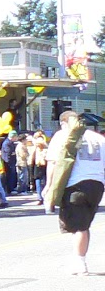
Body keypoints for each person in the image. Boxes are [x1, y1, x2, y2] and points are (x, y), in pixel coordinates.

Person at [43, 111, 105, 275]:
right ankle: (79, 258)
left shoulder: (63, 135)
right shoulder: (98, 137)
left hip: (75, 184)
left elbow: (54, 163)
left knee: (79, 227)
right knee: (84, 224)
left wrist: (49, 186)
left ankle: (79, 263)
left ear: (64, 123)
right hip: (97, 185)